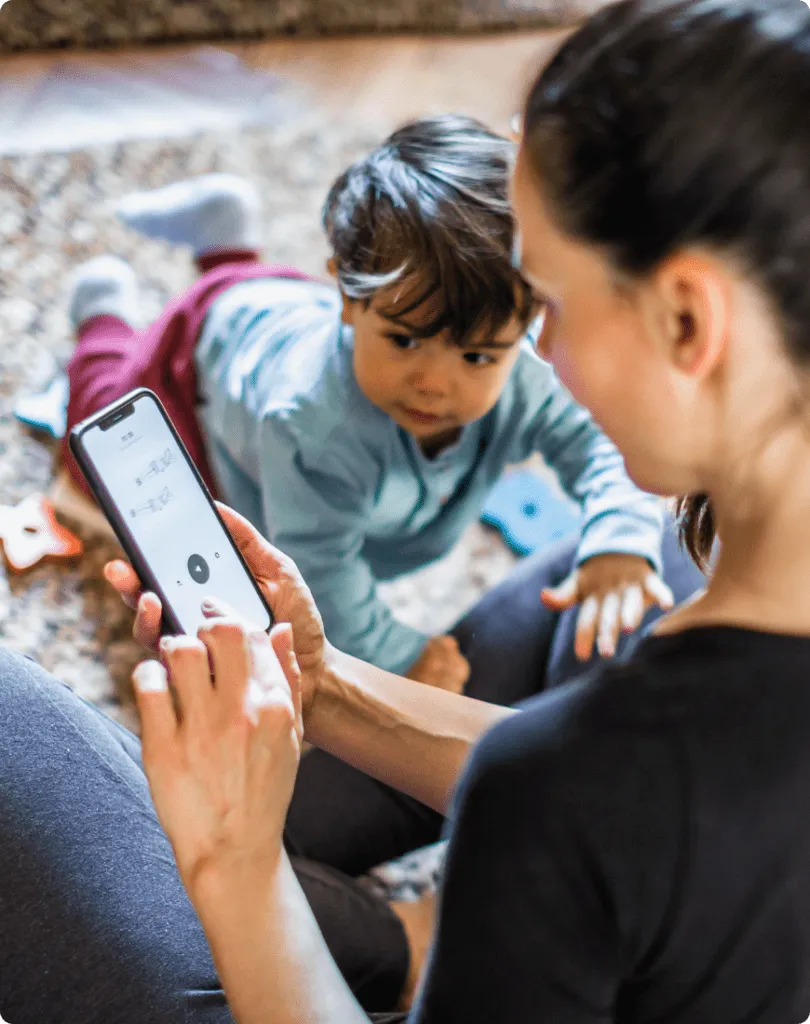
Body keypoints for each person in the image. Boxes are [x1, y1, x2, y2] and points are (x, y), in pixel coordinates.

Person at [111, 0, 810, 1021]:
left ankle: (388, 941)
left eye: (552, 306)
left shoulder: (565, 792)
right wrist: (329, 682)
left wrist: (233, 859)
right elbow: (625, 813)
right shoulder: (624, 751)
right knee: (584, 572)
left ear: (688, 318)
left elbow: (594, 800)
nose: (542, 357)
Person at [61, 115, 677, 691]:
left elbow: (602, 441)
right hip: (199, 355)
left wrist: (620, 536)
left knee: (256, 289)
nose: (434, 383)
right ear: (348, 297)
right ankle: (103, 314)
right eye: (406, 341)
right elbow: (316, 573)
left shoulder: (519, 371)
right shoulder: (309, 428)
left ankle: (227, 240)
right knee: (97, 444)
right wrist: (400, 654)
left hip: (284, 309)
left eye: (477, 356)